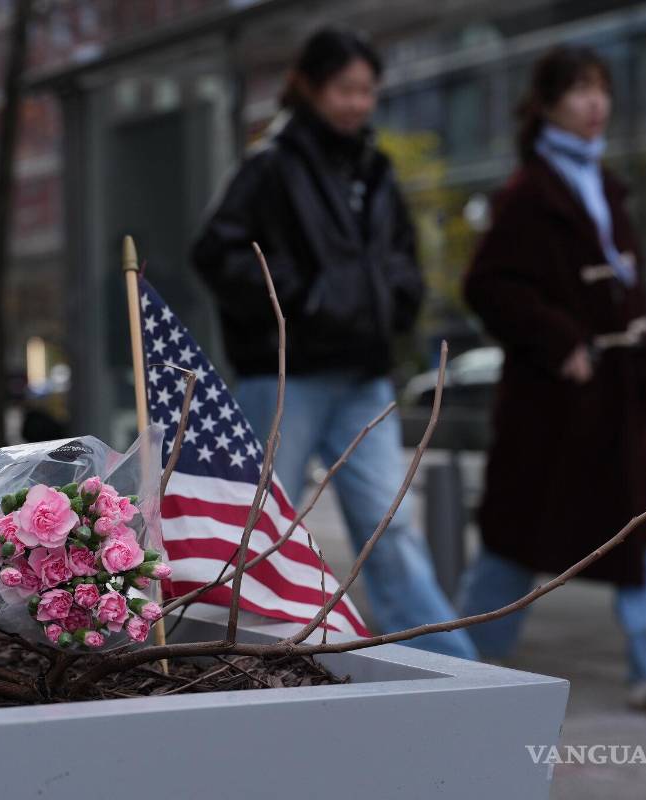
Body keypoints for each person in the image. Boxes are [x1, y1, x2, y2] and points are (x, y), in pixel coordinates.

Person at [192, 28, 476, 660]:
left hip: (363, 374)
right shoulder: (270, 164)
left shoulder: (374, 168)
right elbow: (217, 252)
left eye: (367, 90)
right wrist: (305, 298)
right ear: (313, 87)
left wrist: (397, 301)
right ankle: (224, 656)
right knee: (256, 524)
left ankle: (451, 665)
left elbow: (401, 253)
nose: (358, 103)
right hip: (286, 375)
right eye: (345, 88)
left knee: (390, 525)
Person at [458, 46, 646, 717]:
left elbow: (626, 292)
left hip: (612, 400)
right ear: (546, 104)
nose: (596, 103)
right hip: (554, 403)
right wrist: (563, 340)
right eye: (578, 91)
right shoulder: (527, 193)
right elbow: (487, 285)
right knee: (514, 539)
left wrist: (644, 370)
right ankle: (456, 662)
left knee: (644, 538)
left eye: (601, 89)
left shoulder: (603, 186)